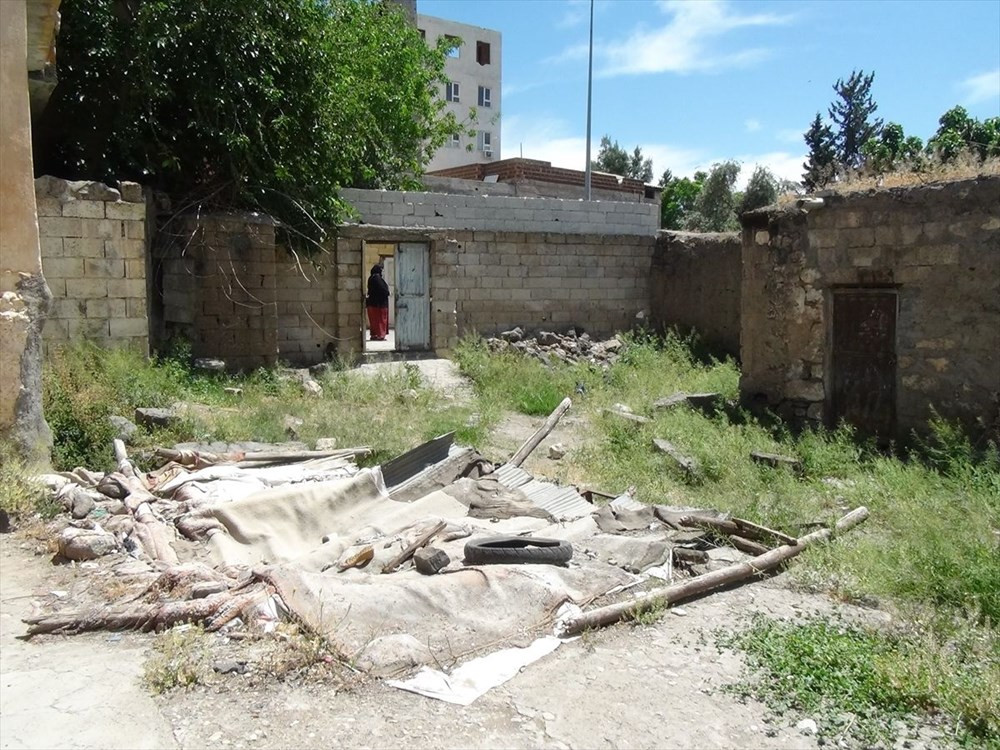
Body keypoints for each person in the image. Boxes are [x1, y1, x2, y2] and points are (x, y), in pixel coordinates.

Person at [365, 263, 390, 341]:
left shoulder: (371, 278)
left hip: (372, 303)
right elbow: (384, 290)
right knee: (381, 320)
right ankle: (380, 335)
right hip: (379, 304)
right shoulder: (377, 278)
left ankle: (374, 335)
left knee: (374, 321)